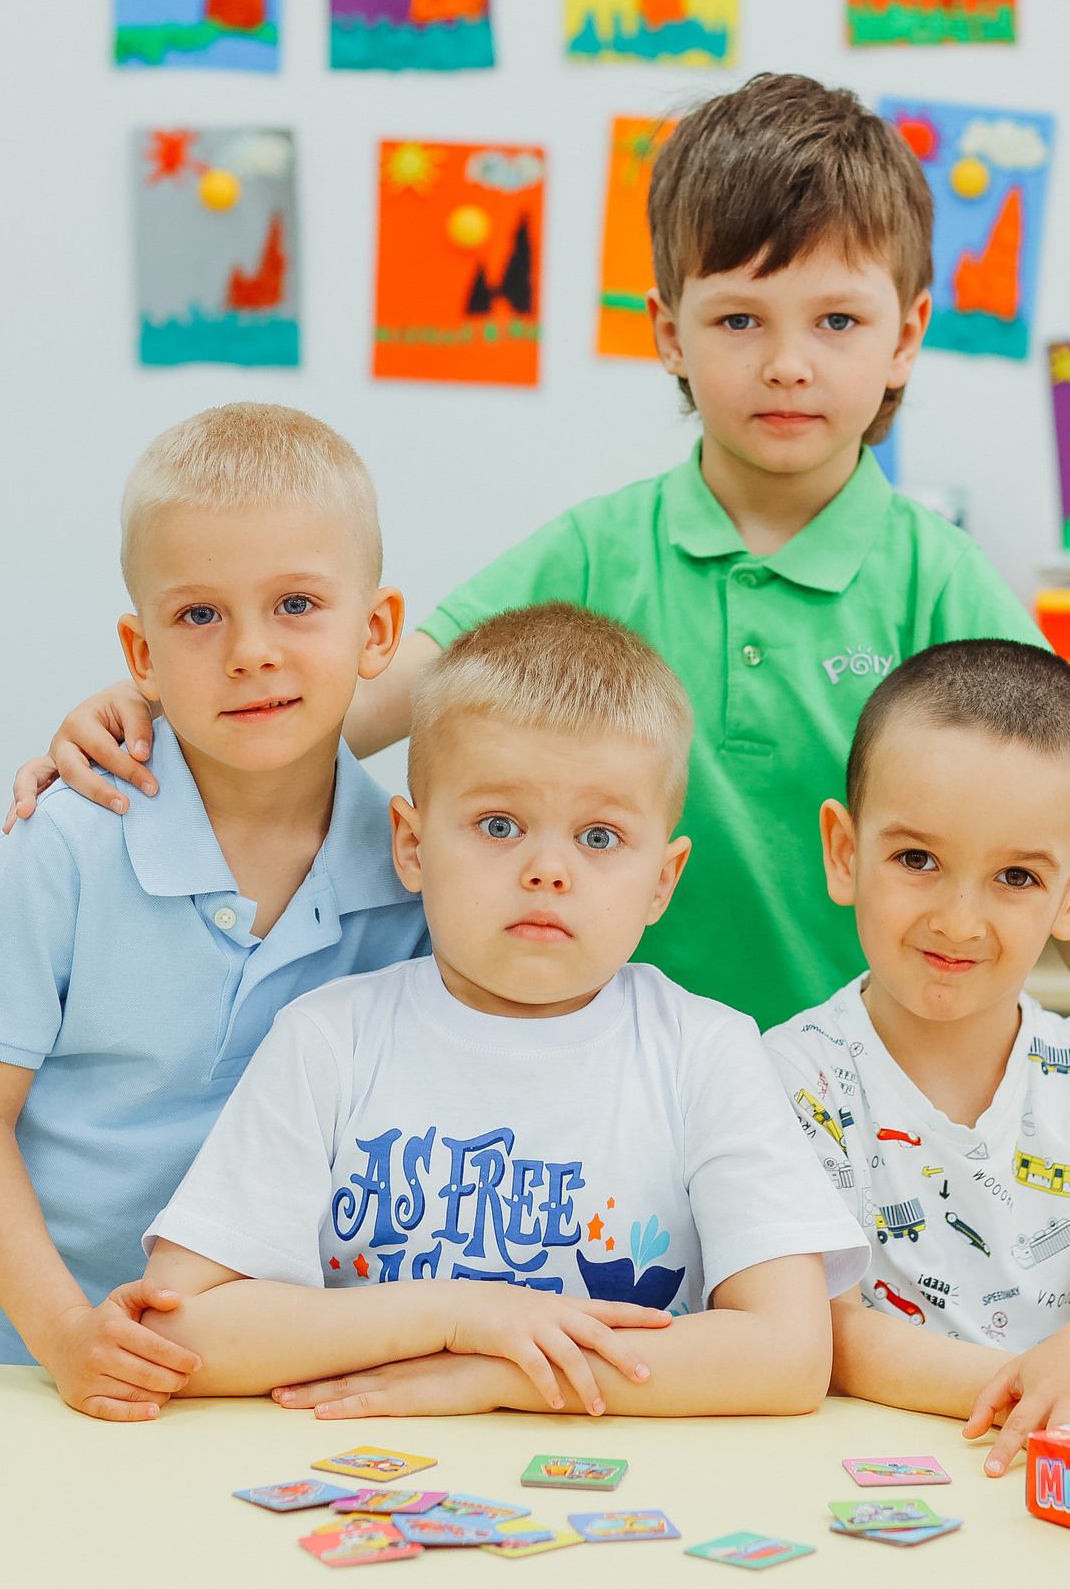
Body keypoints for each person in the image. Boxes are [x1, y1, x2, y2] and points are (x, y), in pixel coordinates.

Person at [5, 71, 1070, 1295]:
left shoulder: (935, 584)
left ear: (908, 332)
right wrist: (155, 712)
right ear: (667, 330)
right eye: (741, 320)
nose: (789, 364)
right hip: (606, 1110)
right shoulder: (595, 551)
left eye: (837, 323)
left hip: (840, 1120)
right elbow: (356, 704)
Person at [0, 405, 429, 1589]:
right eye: (199, 615)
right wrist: (55, 1328)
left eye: (296, 605)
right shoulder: (71, 835)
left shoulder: (405, 881)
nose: (251, 649)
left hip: (143, 1333)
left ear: (379, 632)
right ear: (139, 652)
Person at [135, 603, 866, 1419]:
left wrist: (492, 1376)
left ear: (663, 879)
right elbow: (178, 1329)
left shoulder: (708, 1053)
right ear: (411, 845)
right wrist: (457, 1316)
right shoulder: (327, 1040)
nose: (548, 868)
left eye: (598, 837)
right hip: (355, 1494)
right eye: (499, 824)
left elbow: (791, 1354)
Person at [766, 641, 1070, 1476]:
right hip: (860, 1477)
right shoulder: (794, 1074)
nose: (959, 921)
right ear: (845, 852)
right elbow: (827, 1330)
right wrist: (1037, 1387)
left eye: (1016, 877)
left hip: (1063, 1476)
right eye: (917, 859)